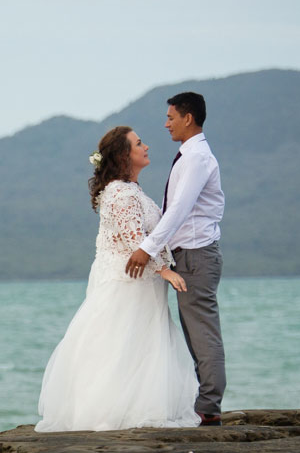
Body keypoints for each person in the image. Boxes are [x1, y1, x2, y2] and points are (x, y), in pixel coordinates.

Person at [34, 126, 201, 432]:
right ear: (126, 155)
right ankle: (111, 413)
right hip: (129, 283)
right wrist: (164, 269)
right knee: (120, 345)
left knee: (135, 347)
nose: (147, 146)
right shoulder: (122, 193)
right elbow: (133, 240)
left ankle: (133, 409)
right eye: (139, 143)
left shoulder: (129, 189)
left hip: (137, 283)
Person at [126, 91, 226, 425]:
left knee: (202, 331)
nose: (166, 123)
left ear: (188, 118)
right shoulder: (189, 155)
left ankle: (208, 406)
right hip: (188, 254)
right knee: (195, 330)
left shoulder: (196, 157)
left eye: (171, 117)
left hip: (197, 255)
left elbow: (180, 209)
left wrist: (147, 248)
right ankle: (206, 403)